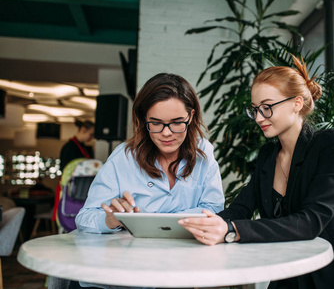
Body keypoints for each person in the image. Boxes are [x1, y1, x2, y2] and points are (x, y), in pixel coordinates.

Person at [179, 55, 334, 289]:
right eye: (255, 109)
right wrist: (201, 224)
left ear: (297, 103)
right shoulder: (268, 155)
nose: (258, 118)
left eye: (267, 108)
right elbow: (241, 207)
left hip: (333, 277)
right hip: (287, 277)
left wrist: (232, 230)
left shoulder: (331, 144)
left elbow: (310, 222)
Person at [75, 73, 224, 234]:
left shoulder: (204, 151)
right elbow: (84, 218)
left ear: (191, 116)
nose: (166, 133)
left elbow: (214, 208)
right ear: (143, 118)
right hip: (137, 256)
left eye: (176, 122)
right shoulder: (124, 157)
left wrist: (160, 221)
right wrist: (110, 220)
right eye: (156, 123)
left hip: (190, 253)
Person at [52, 120, 95, 221]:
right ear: (83, 130)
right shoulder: (69, 147)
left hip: (81, 189)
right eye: (91, 134)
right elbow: (65, 170)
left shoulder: (85, 147)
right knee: (67, 215)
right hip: (69, 187)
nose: (92, 138)